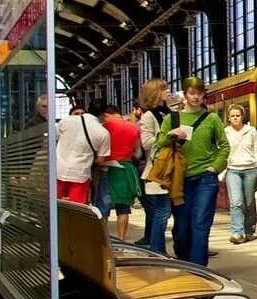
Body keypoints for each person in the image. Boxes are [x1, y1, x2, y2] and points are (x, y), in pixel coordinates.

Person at [155, 78, 228, 265]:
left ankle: (198, 270)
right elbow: (159, 144)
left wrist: (215, 167)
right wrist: (170, 135)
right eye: (192, 93)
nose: (196, 97)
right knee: (182, 227)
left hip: (206, 179)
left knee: (200, 225)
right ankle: (184, 257)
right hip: (180, 180)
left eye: (199, 93)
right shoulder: (171, 119)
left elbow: (224, 146)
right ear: (185, 94)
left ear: (204, 94)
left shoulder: (212, 118)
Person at [133, 79, 172, 254]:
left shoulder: (169, 113)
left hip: (173, 168)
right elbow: (147, 143)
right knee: (163, 211)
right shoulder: (149, 116)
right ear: (156, 93)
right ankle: (157, 249)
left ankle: (161, 247)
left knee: (168, 211)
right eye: (164, 89)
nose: (168, 91)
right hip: (159, 169)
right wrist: (167, 136)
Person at [223, 104, 257, 244]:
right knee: (236, 202)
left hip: (251, 170)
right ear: (228, 118)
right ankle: (237, 232)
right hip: (232, 170)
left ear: (242, 117)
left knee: (249, 203)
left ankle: (249, 230)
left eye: (238, 115)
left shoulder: (251, 131)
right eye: (233, 116)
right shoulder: (225, 132)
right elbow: (221, 152)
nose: (235, 118)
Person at [98, 103, 141, 239]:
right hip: (126, 169)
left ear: (106, 115)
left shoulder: (105, 127)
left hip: (109, 168)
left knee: (103, 207)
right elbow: (138, 152)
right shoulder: (133, 128)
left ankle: (103, 240)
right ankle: (122, 239)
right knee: (123, 208)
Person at [54, 102, 110, 204]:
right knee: (77, 209)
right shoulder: (103, 133)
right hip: (80, 174)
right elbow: (101, 160)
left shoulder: (67, 121)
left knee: (56, 206)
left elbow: (56, 138)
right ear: (103, 114)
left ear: (88, 108)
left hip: (59, 170)